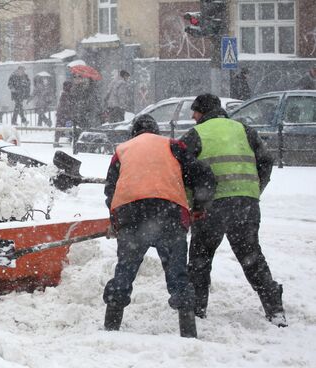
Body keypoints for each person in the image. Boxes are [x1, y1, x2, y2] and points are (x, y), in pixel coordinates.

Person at [103, 114, 216, 338]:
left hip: (131, 213)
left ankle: (111, 326)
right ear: (156, 131)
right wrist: (200, 206)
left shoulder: (122, 150)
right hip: (169, 213)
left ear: (133, 132)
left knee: (125, 270)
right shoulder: (173, 146)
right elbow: (203, 175)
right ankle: (188, 330)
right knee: (177, 274)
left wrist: (116, 220)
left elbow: (110, 190)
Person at [180, 94, 287, 327]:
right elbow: (266, 161)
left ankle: (196, 310)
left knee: (200, 258)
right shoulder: (244, 130)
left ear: (203, 111)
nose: (192, 116)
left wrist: (194, 201)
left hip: (211, 207)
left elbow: (182, 169)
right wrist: (254, 189)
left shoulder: (196, 134)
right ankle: (275, 309)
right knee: (251, 257)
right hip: (246, 204)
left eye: (195, 111)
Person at [69, 73, 102, 154]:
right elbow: (73, 100)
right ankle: (79, 148)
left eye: (79, 78)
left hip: (86, 114)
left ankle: (84, 149)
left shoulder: (89, 89)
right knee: (78, 132)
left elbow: (90, 102)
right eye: (75, 78)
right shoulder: (76, 89)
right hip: (79, 114)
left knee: (85, 132)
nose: (77, 80)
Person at [54, 81, 73, 147]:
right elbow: (66, 105)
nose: (71, 87)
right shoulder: (65, 94)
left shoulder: (65, 93)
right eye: (70, 86)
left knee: (62, 127)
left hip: (62, 114)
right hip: (63, 114)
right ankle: (57, 142)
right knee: (62, 127)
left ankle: (57, 141)